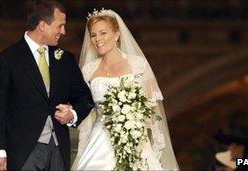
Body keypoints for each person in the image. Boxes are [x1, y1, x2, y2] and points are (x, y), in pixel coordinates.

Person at [0, 1, 94, 170]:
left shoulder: (66, 59)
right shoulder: (7, 59)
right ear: (42, 25)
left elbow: (85, 97)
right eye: (60, 26)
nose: (64, 32)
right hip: (22, 151)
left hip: (59, 150)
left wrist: (72, 114)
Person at [72, 9, 179, 170]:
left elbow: (151, 109)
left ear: (116, 34)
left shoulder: (138, 65)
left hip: (134, 139)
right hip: (98, 143)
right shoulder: (88, 70)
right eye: (93, 35)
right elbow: (84, 106)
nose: (97, 39)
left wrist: (131, 121)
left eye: (103, 33)